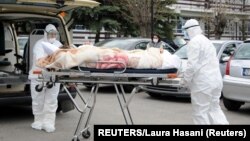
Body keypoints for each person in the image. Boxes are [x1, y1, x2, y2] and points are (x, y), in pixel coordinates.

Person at [181, 19, 229, 125]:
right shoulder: (206, 41)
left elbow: (191, 66)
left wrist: (185, 81)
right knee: (214, 110)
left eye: (185, 30)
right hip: (216, 81)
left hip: (203, 84)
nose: (184, 33)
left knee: (200, 113)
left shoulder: (194, 42)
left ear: (191, 30)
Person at [28, 24, 62, 132]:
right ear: (45, 34)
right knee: (38, 99)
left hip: (53, 75)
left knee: (51, 100)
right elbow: (40, 61)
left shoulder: (58, 44)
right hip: (38, 75)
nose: (53, 36)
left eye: (54, 34)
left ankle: (49, 123)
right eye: (50, 34)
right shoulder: (39, 44)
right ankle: (38, 121)